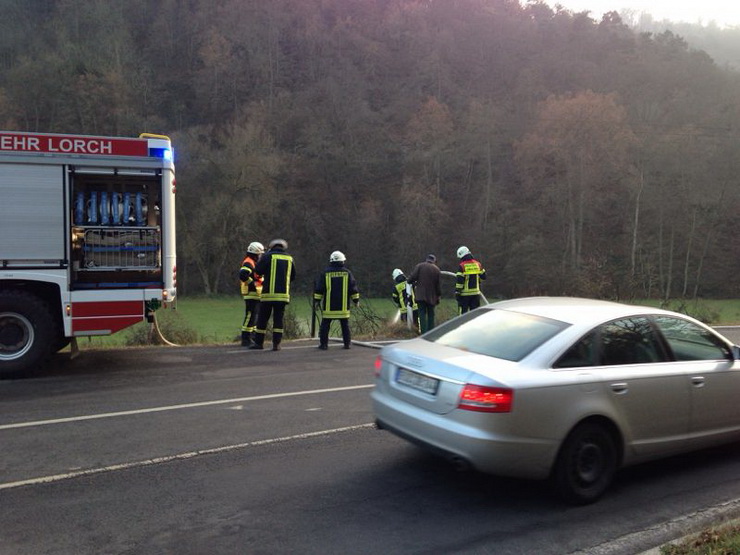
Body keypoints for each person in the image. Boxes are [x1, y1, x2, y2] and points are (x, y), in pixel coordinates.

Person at [250, 238, 296, 351]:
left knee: (262, 319)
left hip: (268, 295)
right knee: (278, 320)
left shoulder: (268, 256)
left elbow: (258, 270)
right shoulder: (289, 258)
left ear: (272, 247)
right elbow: (293, 276)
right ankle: (276, 344)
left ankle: (259, 343)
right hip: (283, 296)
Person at [314, 251, 360, 350]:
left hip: (328, 307)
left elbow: (319, 289)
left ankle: (324, 345)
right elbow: (353, 288)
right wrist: (356, 300)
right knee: (345, 326)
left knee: (325, 326)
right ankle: (347, 344)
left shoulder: (325, 273)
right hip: (343, 307)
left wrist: (317, 301)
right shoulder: (347, 273)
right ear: (342, 261)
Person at [238, 241, 264, 347]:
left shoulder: (253, 262)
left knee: (254, 316)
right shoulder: (248, 262)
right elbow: (243, 274)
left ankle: (252, 336)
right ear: (255, 254)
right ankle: (246, 338)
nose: (260, 256)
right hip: (251, 293)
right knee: (250, 316)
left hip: (255, 294)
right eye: (259, 254)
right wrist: (251, 283)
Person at [408, 254, 441, 333]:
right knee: (431, 315)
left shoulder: (420, 266)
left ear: (427, 259)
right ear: (434, 261)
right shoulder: (437, 269)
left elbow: (412, 278)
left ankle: (423, 332)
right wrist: (438, 295)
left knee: (422, 314)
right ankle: (431, 333)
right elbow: (438, 285)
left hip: (420, 296)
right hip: (432, 297)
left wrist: (410, 281)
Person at [455, 246, 486, 314]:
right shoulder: (478, 264)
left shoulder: (462, 266)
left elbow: (460, 281)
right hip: (476, 294)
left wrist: (457, 292)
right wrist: (478, 281)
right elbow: (483, 277)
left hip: (464, 295)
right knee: (475, 315)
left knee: (463, 315)